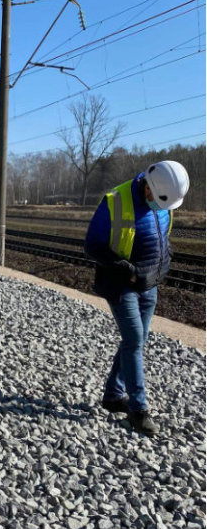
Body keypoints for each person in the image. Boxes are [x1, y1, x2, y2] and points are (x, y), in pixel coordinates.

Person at [84, 160, 190, 436]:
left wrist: (164, 262)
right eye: (159, 201)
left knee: (137, 340)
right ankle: (138, 410)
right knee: (134, 341)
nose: (162, 208)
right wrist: (127, 271)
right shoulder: (116, 201)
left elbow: (161, 237)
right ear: (148, 189)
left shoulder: (164, 202)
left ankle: (112, 395)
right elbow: (92, 246)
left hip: (149, 284)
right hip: (122, 285)